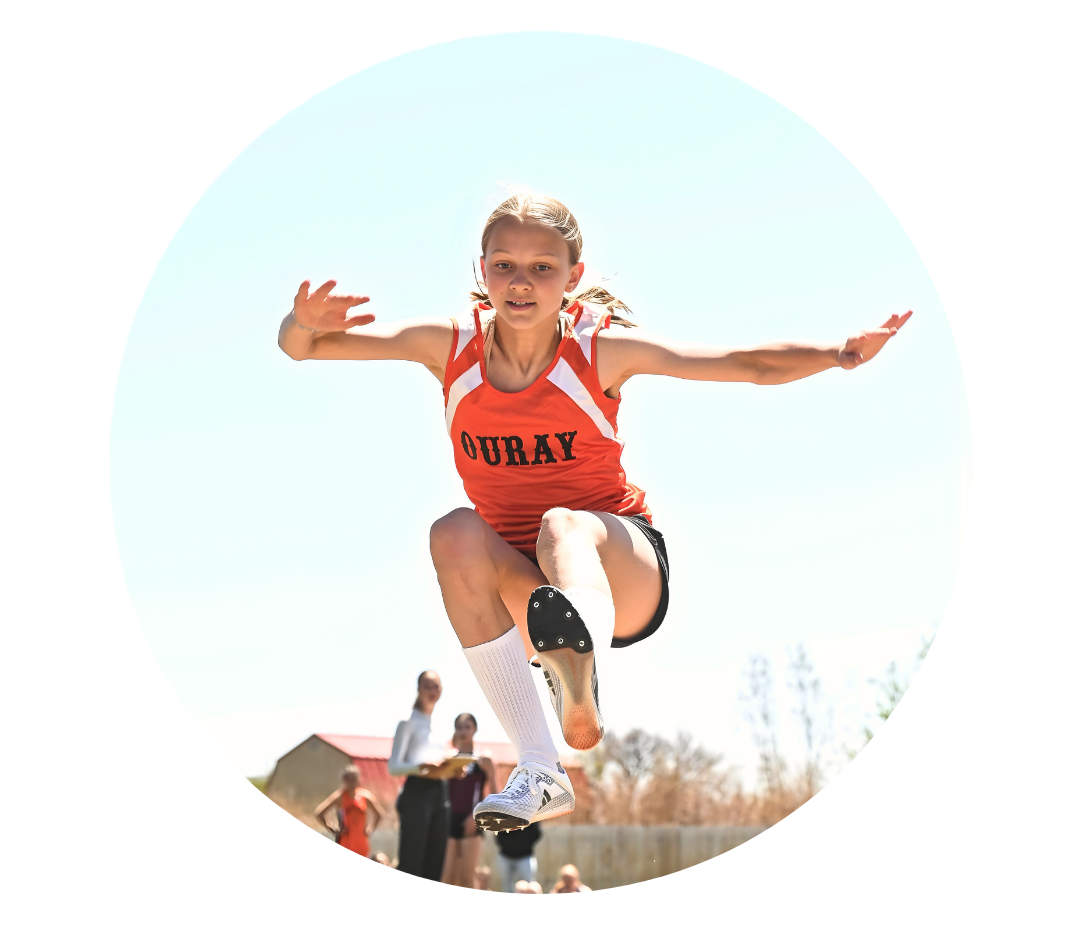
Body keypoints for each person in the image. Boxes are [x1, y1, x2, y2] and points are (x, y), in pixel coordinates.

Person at [278, 192, 911, 835]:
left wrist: (838, 352)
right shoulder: (449, 345)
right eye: (504, 265)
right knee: (453, 533)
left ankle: (576, 641)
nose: (520, 282)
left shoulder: (597, 350)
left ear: (572, 276)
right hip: (525, 592)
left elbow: (745, 364)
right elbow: (302, 347)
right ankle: (540, 765)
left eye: (541, 268)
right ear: (482, 270)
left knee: (562, 523)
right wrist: (301, 321)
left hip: (618, 571)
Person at [387, 670, 458, 880]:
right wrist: (421, 767)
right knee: (411, 863)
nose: (432, 691)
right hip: (416, 794)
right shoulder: (407, 722)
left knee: (435, 867)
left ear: (441, 690)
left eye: (435, 686)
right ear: (418, 689)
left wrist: (453, 768)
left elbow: (439, 762)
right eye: (427, 686)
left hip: (441, 794)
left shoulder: (441, 724)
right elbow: (393, 766)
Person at [441, 713, 496, 888]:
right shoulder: (449, 759)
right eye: (459, 727)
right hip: (448, 821)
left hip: (472, 822)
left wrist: (476, 816)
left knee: (467, 877)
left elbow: (494, 794)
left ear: (475, 729)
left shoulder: (482, 760)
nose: (463, 731)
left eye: (467, 727)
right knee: (447, 877)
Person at [313, 764, 386, 858]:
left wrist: (370, 829)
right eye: (349, 779)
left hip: (361, 842)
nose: (352, 782)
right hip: (346, 842)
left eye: (354, 779)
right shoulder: (340, 796)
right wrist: (333, 829)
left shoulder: (365, 796)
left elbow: (379, 814)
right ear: (345, 780)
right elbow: (319, 813)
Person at [494, 820, 542, 891]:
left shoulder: (528, 816)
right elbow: (497, 832)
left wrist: (524, 843)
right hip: (505, 855)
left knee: (529, 886)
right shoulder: (505, 815)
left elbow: (536, 833)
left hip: (525, 856)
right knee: (507, 887)